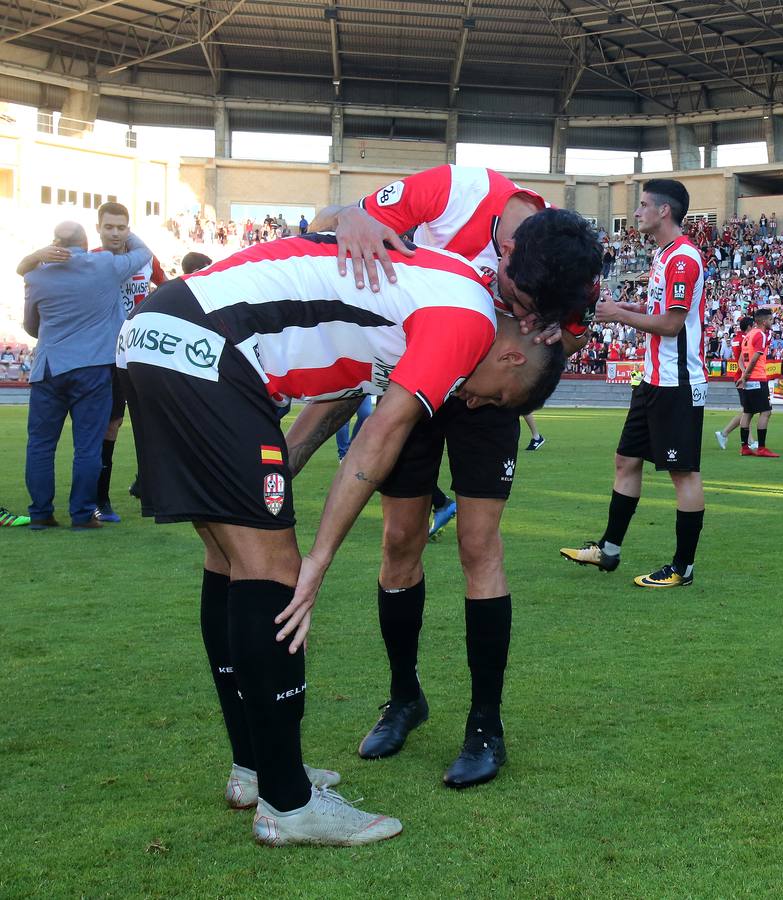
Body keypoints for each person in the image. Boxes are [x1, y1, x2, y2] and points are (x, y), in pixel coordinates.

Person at [120, 233, 565, 846]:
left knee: (226, 557)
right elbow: (377, 438)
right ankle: (289, 804)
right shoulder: (467, 321)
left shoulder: (431, 298)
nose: (469, 398)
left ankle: (258, 770)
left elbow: (333, 402)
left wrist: (274, 477)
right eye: (491, 396)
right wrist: (315, 560)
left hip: (161, 332)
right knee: (271, 569)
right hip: (210, 348)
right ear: (513, 359)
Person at [304, 168, 601, 788]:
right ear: (508, 250)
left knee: (478, 546)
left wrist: (556, 337)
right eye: (518, 301)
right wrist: (348, 216)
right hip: (413, 377)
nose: (519, 312)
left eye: (530, 311)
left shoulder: (570, 267)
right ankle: (404, 697)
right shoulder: (452, 190)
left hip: (486, 393)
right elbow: (330, 224)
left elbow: (558, 350)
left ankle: (485, 725)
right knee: (399, 541)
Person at [559, 179, 707, 588]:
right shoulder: (663, 256)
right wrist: (621, 307)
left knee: (684, 474)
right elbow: (657, 308)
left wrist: (619, 316)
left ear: (664, 211)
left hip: (677, 383)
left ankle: (683, 567)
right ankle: (609, 550)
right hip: (653, 379)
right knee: (626, 460)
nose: (637, 212)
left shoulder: (682, 259)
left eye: (642, 205)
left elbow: (672, 324)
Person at [22, 222, 154, 530]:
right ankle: (82, 514)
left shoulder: (37, 276)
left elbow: (31, 326)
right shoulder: (105, 264)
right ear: (87, 240)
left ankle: (41, 513)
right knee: (89, 446)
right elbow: (144, 253)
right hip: (93, 367)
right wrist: (123, 230)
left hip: (49, 367)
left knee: (40, 444)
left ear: (54, 243)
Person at [734, 307, 779, 457]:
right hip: (758, 378)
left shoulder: (748, 335)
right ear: (764, 321)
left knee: (748, 412)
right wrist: (746, 376)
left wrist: (744, 374)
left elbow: (741, 358)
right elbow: (754, 359)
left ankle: (744, 447)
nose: (772, 322)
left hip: (748, 380)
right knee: (766, 412)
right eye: (771, 320)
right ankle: (761, 448)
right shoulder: (760, 335)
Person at [716, 315, 754, 451]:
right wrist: (745, 374)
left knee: (747, 410)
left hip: (739, 376)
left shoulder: (736, 339)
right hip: (742, 377)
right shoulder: (745, 339)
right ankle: (726, 434)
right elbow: (742, 359)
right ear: (749, 327)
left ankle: (726, 434)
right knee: (747, 410)